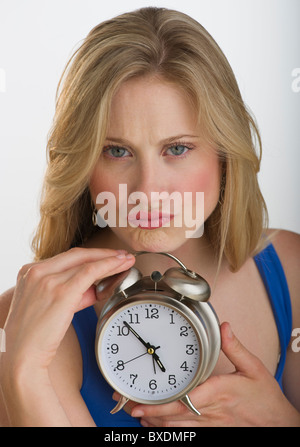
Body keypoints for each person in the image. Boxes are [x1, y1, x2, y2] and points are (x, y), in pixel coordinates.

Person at [0, 7, 299, 427]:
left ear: (225, 155)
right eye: (117, 151)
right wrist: (23, 373)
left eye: (177, 149)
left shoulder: (292, 269)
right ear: (83, 164)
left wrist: (281, 420)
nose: (147, 191)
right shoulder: (27, 319)